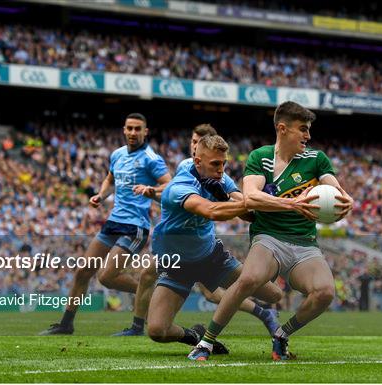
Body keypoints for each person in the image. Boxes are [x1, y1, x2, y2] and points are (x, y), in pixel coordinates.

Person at [189, 101, 354, 361]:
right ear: (283, 128)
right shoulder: (260, 157)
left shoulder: (316, 159)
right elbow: (251, 198)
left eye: (308, 130)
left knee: (325, 293)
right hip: (268, 238)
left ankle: (282, 335)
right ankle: (206, 342)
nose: (308, 136)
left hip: (305, 243)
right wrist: (293, 203)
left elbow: (336, 190)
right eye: (303, 129)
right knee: (248, 279)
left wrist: (347, 200)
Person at [113, 124, 279, 337]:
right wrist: (250, 201)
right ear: (197, 161)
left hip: (210, 256)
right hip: (177, 263)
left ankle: (265, 313)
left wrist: (259, 201)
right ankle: (196, 337)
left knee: (273, 294)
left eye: (224, 164)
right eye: (216, 164)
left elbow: (246, 212)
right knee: (156, 331)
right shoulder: (180, 186)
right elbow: (211, 211)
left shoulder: (220, 177)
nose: (221, 170)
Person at [40, 113, 171, 335]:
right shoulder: (117, 154)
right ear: (124, 129)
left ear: (145, 132)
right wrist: (101, 195)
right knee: (83, 271)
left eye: (137, 129)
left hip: (135, 226)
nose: (132, 132)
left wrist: (151, 191)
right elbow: (110, 179)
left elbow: (170, 186)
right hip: (113, 222)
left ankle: (149, 293)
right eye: (129, 128)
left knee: (107, 277)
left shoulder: (151, 158)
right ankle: (66, 324)